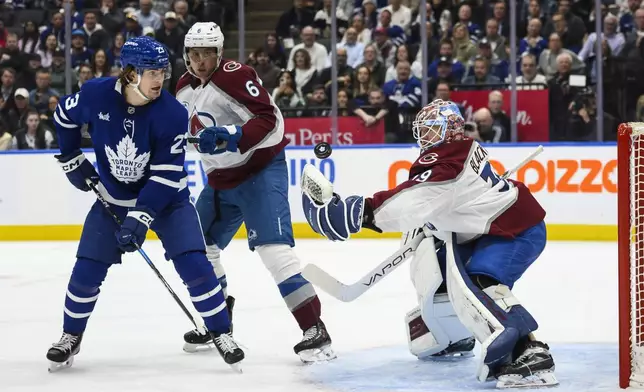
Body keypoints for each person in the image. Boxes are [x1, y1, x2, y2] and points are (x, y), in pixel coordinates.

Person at [300, 99, 558, 388]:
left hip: (514, 231)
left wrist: (360, 213)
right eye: (423, 130)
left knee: (479, 284)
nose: (424, 136)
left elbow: (415, 198)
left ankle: (530, 352)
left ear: (450, 129)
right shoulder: (457, 152)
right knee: (440, 263)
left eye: (431, 129)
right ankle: (453, 334)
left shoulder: (448, 162)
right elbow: (433, 204)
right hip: (494, 229)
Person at [46, 36, 244, 372]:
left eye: (163, 73)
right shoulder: (95, 94)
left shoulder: (171, 113)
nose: (160, 80)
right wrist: (70, 158)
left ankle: (221, 332)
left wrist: (140, 217)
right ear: (129, 73)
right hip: (113, 199)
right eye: (152, 73)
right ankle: (70, 336)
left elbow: (166, 175)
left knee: (195, 264)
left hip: (168, 201)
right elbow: (64, 116)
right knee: (86, 271)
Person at [175, 22, 336, 363]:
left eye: (207, 53)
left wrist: (229, 133)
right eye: (194, 53)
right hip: (221, 179)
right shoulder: (183, 88)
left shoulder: (234, 75)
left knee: (274, 252)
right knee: (199, 248)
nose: (200, 61)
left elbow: (269, 119)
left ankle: (314, 328)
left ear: (219, 54)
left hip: (260, 171)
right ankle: (220, 321)